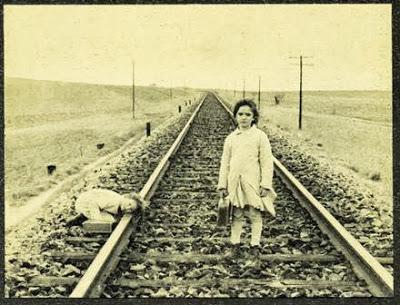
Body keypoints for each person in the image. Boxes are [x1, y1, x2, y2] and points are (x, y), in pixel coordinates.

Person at [217, 98, 277, 258]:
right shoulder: (231, 138)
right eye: (240, 114)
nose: (244, 117)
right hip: (235, 183)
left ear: (253, 117)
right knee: (236, 214)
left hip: (252, 182)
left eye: (247, 114)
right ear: (235, 116)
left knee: (255, 214)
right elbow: (225, 162)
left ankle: (254, 246)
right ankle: (235, 244)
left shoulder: (260, 136)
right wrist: (222, 185)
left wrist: (265, 184)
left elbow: (266, 162)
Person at [66, 189, 148, 226]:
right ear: (126, 197)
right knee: (109, 221)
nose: (127, 208)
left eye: (130, 209)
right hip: (84, 203)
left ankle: (86, 215)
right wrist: (96, 218)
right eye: (129, 204)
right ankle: (81, 218)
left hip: (93, 203)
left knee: (111, 219)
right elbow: (93, 203)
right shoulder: (114, 200)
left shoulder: (120, 202)